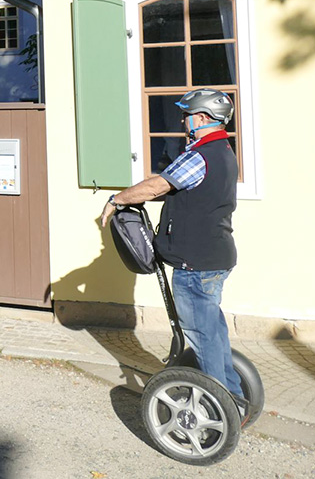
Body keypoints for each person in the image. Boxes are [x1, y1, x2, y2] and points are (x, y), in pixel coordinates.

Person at [99, 88, 244, 404]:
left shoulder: (200, 155)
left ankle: (217, 405)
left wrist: (117, 199)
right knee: (213, 332)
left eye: (187, 115)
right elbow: (184, 190)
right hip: (215, 256)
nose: (183, 120)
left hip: (195, 264)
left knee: (203, 336)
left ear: (202, 118)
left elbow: (159, 185)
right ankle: (233, 396)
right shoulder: (223, 151)